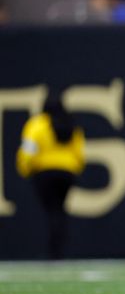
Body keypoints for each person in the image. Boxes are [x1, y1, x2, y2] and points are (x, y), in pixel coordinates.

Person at [16, 90, 85, 259]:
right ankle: (58, 249)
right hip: (67, 173)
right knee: (59, 211)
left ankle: (54, 252)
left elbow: (28, 150)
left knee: (53, 211)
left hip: (44, 173)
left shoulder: (37, 124)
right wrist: (74, 169)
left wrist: (24, 168)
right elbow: (79, 153)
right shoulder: (70, 124)